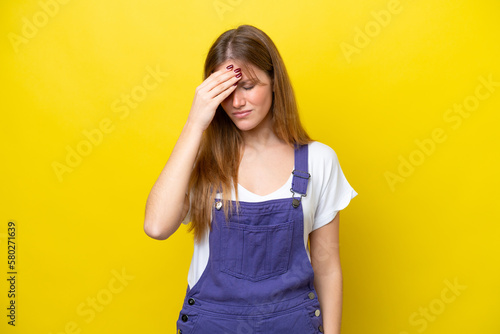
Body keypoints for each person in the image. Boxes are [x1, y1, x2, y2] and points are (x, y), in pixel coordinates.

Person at [144, 24, 358, 334]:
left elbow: (327, 265)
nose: (237, 103)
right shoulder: (201, 160)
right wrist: (194, 123)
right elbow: (156, 226)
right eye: (225, 91)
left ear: (274, 82)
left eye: (248, 86)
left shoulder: (319, 160)